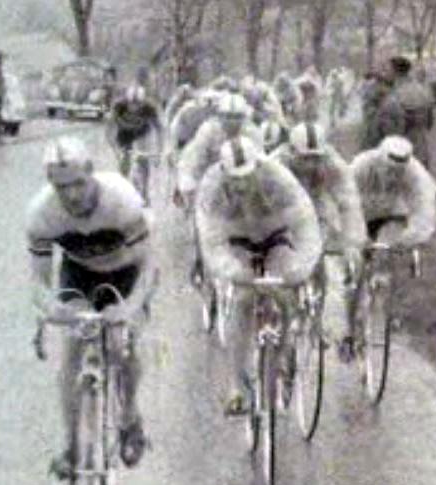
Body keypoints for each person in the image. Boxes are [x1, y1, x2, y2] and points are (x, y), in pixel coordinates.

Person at [27, 137, 157, 473]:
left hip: (128, 272)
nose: (71, 195)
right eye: (61, 187)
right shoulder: (41, 213)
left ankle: (129, 418)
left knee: (120, 345)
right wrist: (56, 311)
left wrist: (129, 309)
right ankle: (71, 447)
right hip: (79, 273)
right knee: (70, 351)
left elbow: (151, 268)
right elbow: (39, 284)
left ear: (91, 173)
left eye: (78, 184)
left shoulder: (123, 199)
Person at [196, 137, 322, 412]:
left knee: (284, 289)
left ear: (258, 167)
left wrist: (300, 268)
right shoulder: (211, 186)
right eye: (234, 178)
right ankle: (236, 386)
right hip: (237, 241)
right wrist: (235, 272)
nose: (241, 185)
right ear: (223, 171)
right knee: (242, 298)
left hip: (275, 236)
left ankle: (287, 344)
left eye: (247, 176)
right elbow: (211, 243)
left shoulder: (278, 177)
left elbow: (307, 224)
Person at [271, 122, 366, 346]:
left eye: (316, 158)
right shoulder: (275, 163)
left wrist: (352, 242)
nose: (310, 164)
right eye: (304, 158)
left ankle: (315, 323)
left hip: (316, 206)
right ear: (291, 151)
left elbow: (348, 202)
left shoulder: (333, 163)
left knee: (318, 255)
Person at [344, 135, 436, 360]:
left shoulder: (416, 174)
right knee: (354, 270)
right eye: (389, 170)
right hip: (360, 214)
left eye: (399, 172)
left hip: (392, 215)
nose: (393, 175)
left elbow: (425, 210)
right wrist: (354, 237)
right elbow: (344, 203)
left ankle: (385, 301)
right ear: (379, 160)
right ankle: (349, 331)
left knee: (386, 251)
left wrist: (410, 239)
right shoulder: (360, 166)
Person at [177, 93, 264, 284]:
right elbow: (193, 161)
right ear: (219, 117)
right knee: (202, 223)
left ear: (244, 118)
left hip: (241, 181)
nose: (233, 123)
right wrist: (189, 185)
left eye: (237, 118)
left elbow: (262, 165)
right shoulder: (208, 131)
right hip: (210, 180)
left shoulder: (253, 132)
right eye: (228, 117)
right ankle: (199, 262)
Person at [105, 84, 163, 205]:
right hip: (124, 134)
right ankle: (123, 190)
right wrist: (116, 149)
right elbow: (109, 129)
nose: (134, 108)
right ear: (127, 101)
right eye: (132, 104)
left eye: (138, 105)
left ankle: (144, 193)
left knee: (143, 160)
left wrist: (158, 152)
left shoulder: (149, 108)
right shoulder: (118, 106)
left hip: (142, 133)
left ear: (143, 103)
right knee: (124, 162)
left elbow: (159, 130)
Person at [389, 55, 436, 168]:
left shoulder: (396, 95)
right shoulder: (422, 91)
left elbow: (394, 128)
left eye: (389, 70)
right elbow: (430, 122)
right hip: (422, 149)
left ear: (395, 72)